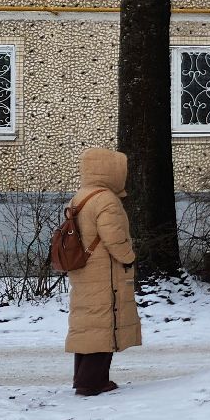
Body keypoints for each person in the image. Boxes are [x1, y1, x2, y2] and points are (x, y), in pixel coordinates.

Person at [65, 147, 141, 396]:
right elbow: (115, 239)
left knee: (89, 324)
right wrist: (129, 257)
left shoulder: (80, 196)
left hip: (84, 269)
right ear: (110, 171)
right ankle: (93, 383)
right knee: (104, 323)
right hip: (105, 273)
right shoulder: (107, 199)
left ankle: (83, 379)